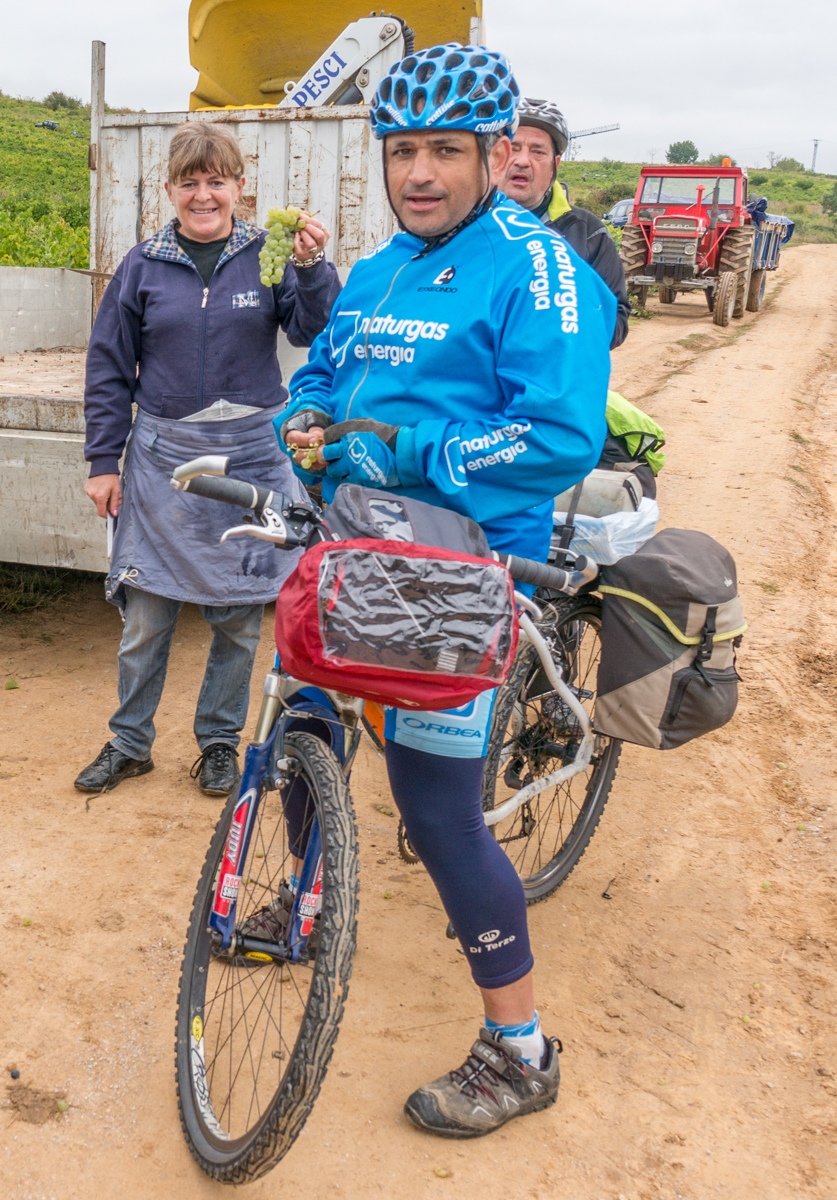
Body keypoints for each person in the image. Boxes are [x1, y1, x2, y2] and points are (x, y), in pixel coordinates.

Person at [276, 44, 615, 1137]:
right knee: (304, 721)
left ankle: (519, 1050)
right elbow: (327, 371)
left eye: (446, 152)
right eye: (403, 150)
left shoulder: (537, 266)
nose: (420, 172)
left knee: (435, 811)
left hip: (457, 575)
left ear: (495, 154)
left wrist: (410, 451)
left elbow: (560, 435)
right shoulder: (377, 272)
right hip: (352, 549)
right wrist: (304, 418)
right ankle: (307, 894)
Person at [75, 122, 340, 798]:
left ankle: (218, 744)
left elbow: (312, 329)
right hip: (163, 457)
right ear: (169, 190)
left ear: (238, 187)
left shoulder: (266, 251)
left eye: (215, 181)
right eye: (189, 182)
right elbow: (108, 366)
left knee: (238, 615)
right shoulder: (141, 264)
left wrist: (311, 269)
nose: (203, 194)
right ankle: (130, 743)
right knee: (146, 618)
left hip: (251, 454)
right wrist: (103, 459)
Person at [501, 98, 631, 348]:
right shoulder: (463, 228)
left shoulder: (589, 233)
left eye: (538, 151)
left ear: (555, 165)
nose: (523, 160)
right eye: (513, 148)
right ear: (496, 156)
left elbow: (617, 322)